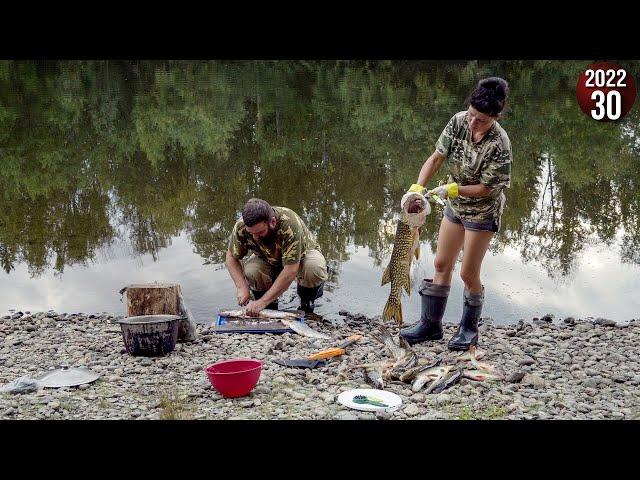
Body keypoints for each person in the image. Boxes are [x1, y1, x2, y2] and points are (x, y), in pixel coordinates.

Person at [400, 77, 512, 351]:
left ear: (495, 117)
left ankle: (468, 330)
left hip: (482, 212)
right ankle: (431, 325)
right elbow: (437, 157)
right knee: (441, 264)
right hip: (456, 206)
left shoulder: (500, 144)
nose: (473, 123)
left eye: (482, 120)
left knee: (468, 272)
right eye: (472, 115)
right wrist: (418, 186)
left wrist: (454, 189)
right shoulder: (458, 121)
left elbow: (487, 188)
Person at [225, 198, 328, 316]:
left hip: (302, 256)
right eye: (251, 233)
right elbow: (231, 257)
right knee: (252, 270)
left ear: (272, 222)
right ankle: (269, 305)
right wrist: (241, 287)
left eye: (259, 233)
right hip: (267, 257)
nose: (255, 238)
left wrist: (261, 302)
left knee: (313, 268)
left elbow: (290, 270)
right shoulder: (241, 226)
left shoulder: (290, 223)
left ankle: (306, 301)